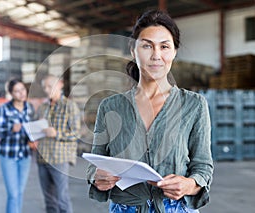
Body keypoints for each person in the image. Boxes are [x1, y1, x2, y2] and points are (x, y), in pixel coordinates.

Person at [86, 10, 214, 213]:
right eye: (147, 46)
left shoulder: (194, 105)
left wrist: (189, 185)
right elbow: (95, 161)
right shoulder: (110, 107)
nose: (156, 55)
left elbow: (203, 165)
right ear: (133, 50)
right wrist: (97, 177)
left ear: (174, 52)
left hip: (177, 208)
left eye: (164, 46)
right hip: (125, 208)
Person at [35, 74, 81, 213]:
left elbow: (76, 134)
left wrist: (56, 133)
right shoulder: (42, 108)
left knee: (62, 198)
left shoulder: (70, 106)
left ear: (60, 84)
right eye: (45, 87)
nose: (47, 90)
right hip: (42, 158)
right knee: (49, 200)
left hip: (59, 158)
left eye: (50, 86)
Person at [0, 79, 35, 213]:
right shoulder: (4, 108)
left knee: (19, 193)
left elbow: (33, 130)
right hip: (8, 156)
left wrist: (34, 139)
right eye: (17, 91)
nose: (21, 93)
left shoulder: (30, 108)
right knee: (13, 194)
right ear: (11, 93)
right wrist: (11, 129)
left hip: (25, 156)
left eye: (22, 89)